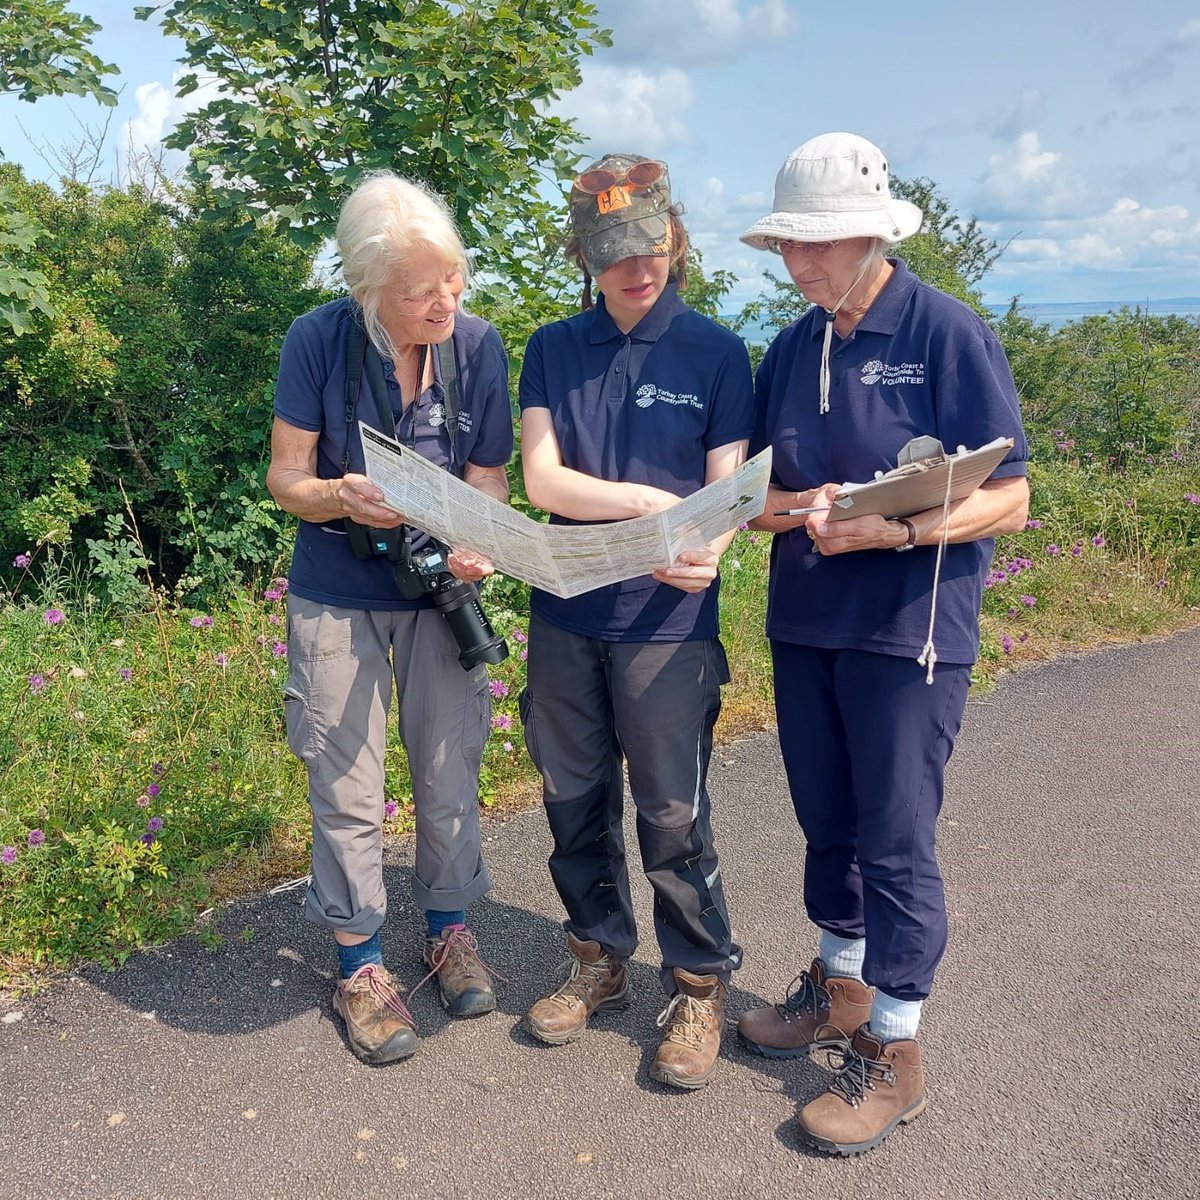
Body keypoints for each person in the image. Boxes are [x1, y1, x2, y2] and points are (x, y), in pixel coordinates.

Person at [736, 133, 1030, 1153]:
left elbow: (1014, 496)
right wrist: (794, 507)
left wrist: (895, 528)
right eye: (788, 247)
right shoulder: (787, 347)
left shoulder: (948, 333)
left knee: (898, 842)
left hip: (910, 632)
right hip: (807, 624)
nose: (801, 264)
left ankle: (895, 1051)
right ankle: (841, 987)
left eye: (820, 245)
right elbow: (752, 501)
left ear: (875, 235)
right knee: (828, 823)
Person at [517, 154, 754, 1089]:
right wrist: (644, 506)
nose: (637, 268)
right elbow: (543, 480)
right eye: (615, 254)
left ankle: (697, 983)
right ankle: (597, 959)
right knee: (572, 797)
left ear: (675, 238)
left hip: (668, 622)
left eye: (651, 247)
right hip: (567, 608)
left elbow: (727, 492)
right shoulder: (550, 346)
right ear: (585, 255)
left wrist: (707, 549)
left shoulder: (718, 352)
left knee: (672, 811)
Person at [266, 171, 514, 1066]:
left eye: (452, 278)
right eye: (418, 291)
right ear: (367, 288)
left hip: (440, 595)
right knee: (346, 784)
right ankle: (361, 964)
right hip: (337, 595)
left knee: (450, 771)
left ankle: (448, 931)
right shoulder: (317, 341)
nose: (443, 300)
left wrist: (479, 537)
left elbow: (489, 476)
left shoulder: (479, 348)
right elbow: (285, 478)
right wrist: (337, 495)